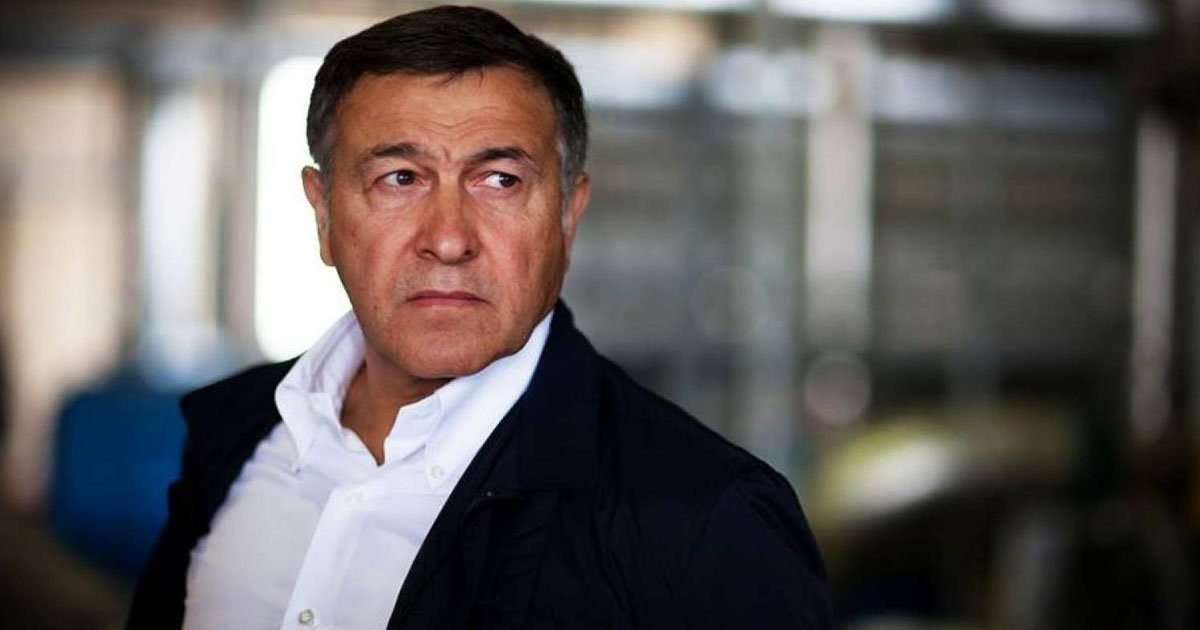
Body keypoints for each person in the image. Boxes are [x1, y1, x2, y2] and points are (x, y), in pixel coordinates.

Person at [128, 6, 831, 628]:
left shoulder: (706, 518)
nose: (448, 238)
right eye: (400, 178)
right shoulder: (232, 435)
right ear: (323, 216)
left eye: (500, 180)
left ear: (567, 215)